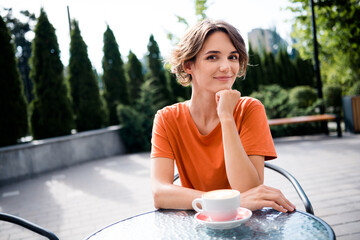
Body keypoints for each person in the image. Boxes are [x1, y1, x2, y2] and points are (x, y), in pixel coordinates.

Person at [150, 19, 295, 213]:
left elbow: (250, 191)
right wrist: (227, 202)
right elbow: (160, 193)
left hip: (248, 223)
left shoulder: (249, 109)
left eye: (233, 57)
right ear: (188, 65)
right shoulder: (166, 119)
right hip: (196, 225)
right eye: (212, 57)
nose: (227, 67)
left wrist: (226, 117)